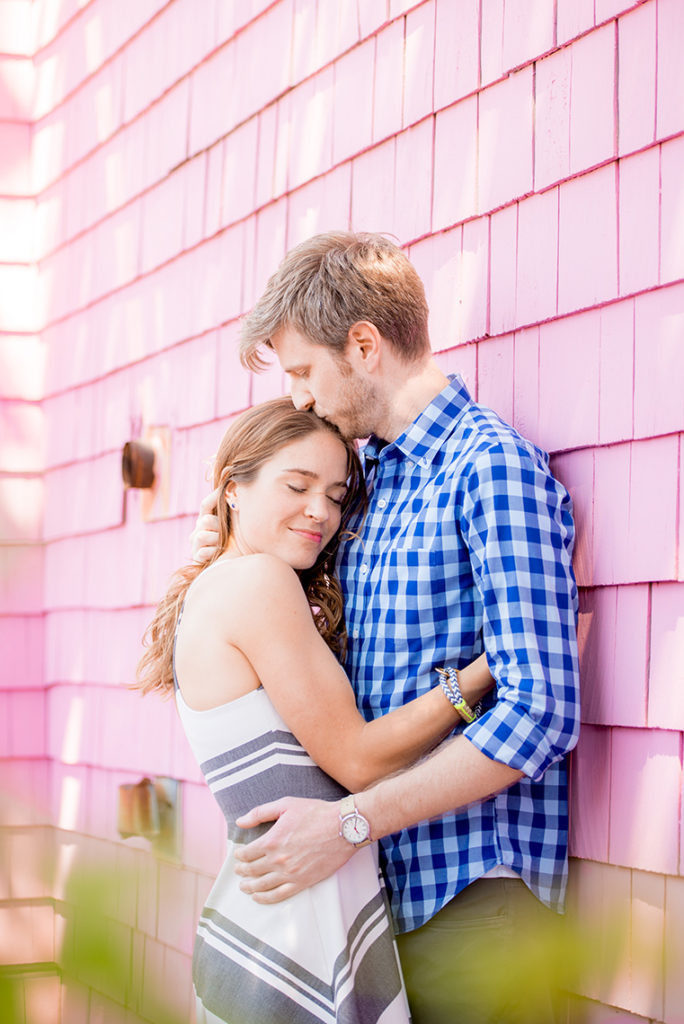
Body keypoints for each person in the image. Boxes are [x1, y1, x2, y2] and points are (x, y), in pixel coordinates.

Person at [191, 232, 581, 1023]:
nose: (299, 398)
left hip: (474, 909)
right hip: (371, 899)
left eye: (303, 371)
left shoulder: (488, 468)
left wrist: (351, 821)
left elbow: (540, 709)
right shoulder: (361, 487)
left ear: (364, 346)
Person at [137, 397, 495, 1024]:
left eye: (335, 496)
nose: (320, 512)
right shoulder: (256, 582)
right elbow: (358, 761)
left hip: (273, 915)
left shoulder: (221, 583)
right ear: (233, 489)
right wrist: (487, 670)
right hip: (294, 934)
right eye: (297, 486)